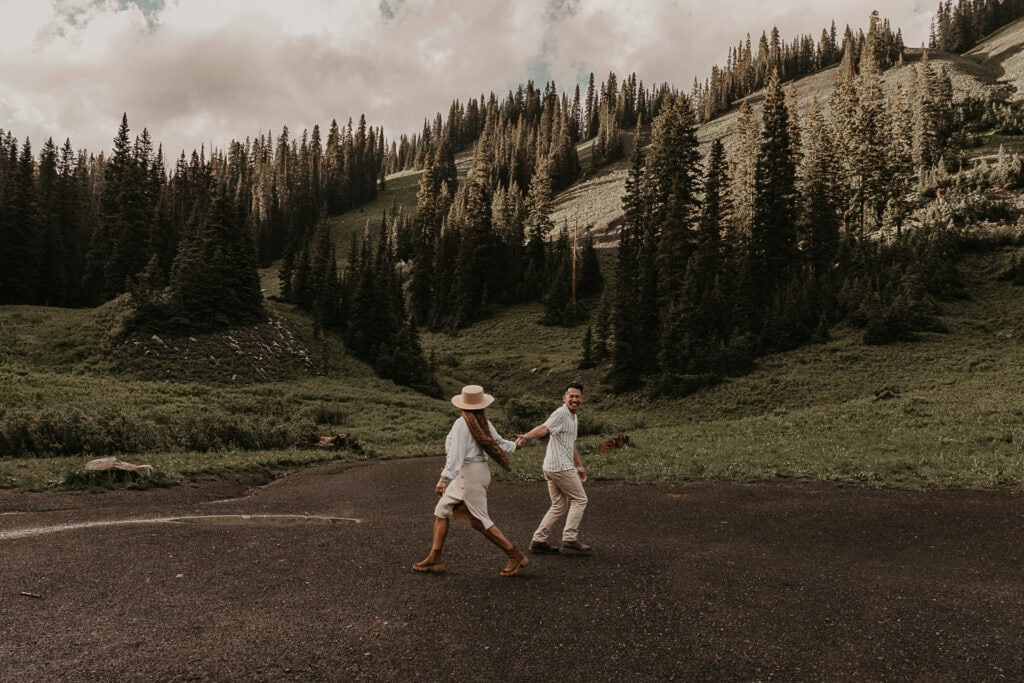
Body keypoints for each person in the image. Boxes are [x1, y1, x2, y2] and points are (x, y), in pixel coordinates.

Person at [412, 385, 529, 577]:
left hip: (468, 474)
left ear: (462, 405)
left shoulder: (462, 423)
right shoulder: (482, 421)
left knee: (479, 521)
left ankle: (514, 554)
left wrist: (443, 478)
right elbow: (498, 442)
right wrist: (516, 445)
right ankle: (435, 557)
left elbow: (456, 455)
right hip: (473, 472)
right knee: (441, 510)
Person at [516, 382, 591, 554]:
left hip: (553, 466)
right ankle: (570, 539)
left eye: (577, 396)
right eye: (570, 396)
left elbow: (570, 443)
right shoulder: (561, 413)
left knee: (559, 505)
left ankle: (539, 540)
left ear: (582, 399)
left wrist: (580, 466)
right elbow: (544, 428)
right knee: (580, 499)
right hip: (560, 467)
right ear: (564, 397)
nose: (574, 399)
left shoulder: (573, 417)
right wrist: (526, 437)